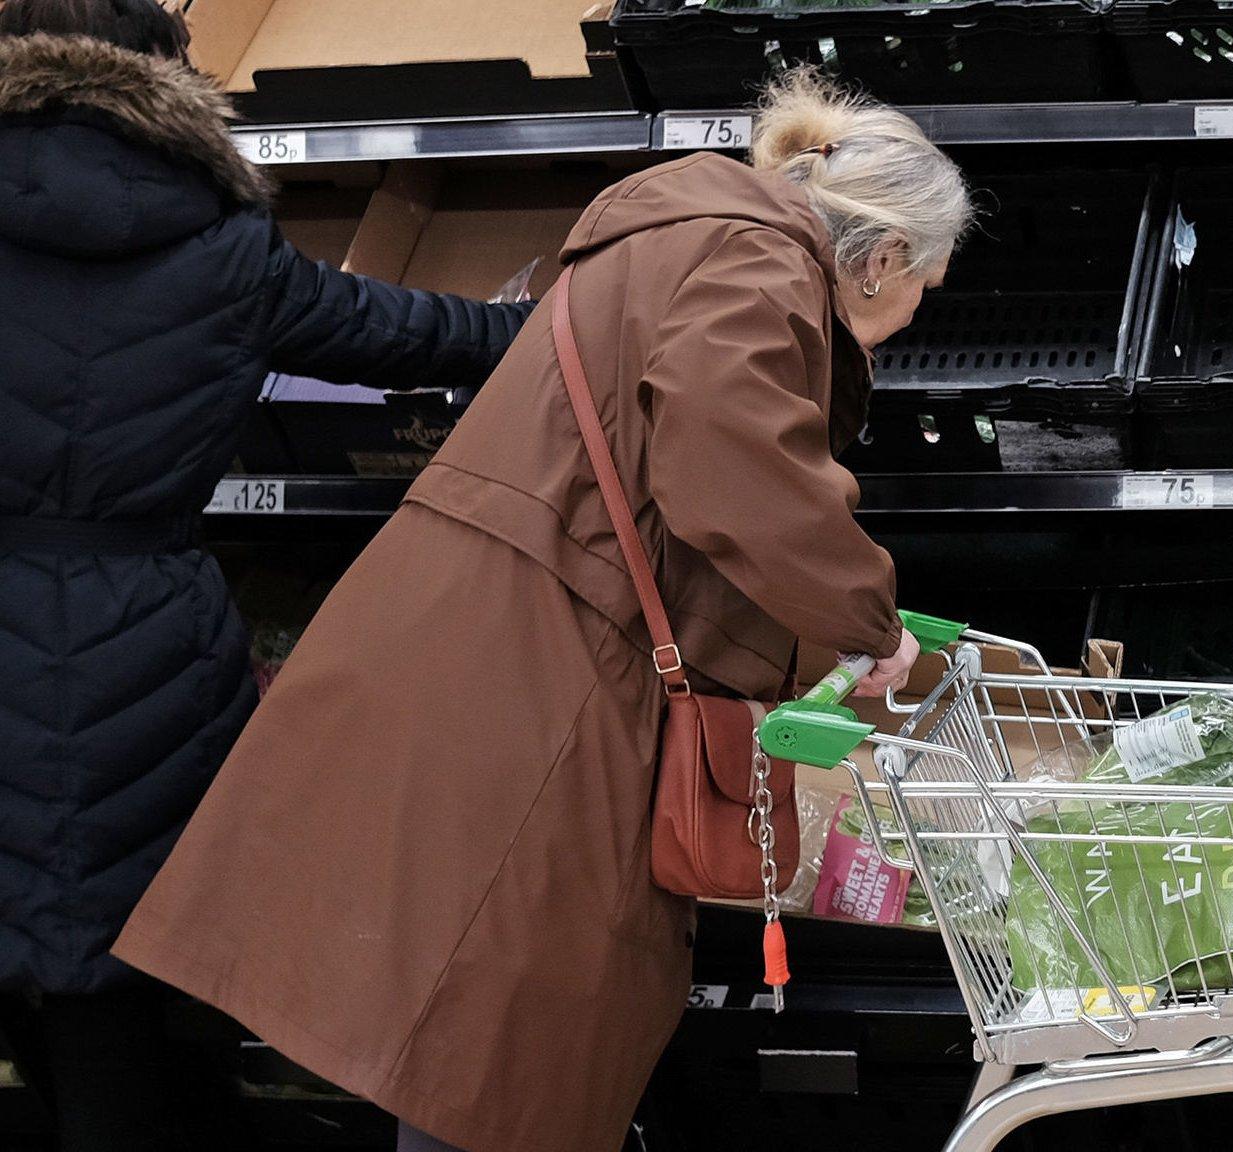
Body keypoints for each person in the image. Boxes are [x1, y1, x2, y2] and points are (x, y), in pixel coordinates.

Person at [113, 68, 972, 1152]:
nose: (906, 322)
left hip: (463, 639)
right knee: (490, 1047)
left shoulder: (667, 235)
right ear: (885, 256)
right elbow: (729, 465)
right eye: (924, 289)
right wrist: (867, 618)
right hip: (542, 682)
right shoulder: (757, 258)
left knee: (444, 1029)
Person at [0, 2, 534, 1148]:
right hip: (143, 659)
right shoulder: (227, 255)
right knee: (130, 981)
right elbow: (419, 335)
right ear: (167, 87)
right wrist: (591, 317)